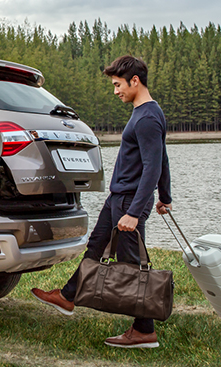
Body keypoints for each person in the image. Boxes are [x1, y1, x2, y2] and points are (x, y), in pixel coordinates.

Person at [31, 55, 172, 349]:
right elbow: (162, 158)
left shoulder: (146, 118)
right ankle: (68, 297)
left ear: (135, 81)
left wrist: (135, 212)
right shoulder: (146, 113)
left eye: (118, 85)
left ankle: (144, 330)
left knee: (131, 265)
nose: (116, 91)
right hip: (119, 197)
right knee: (95, 245)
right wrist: (165, 197)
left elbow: (153, 167)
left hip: (129, 200)